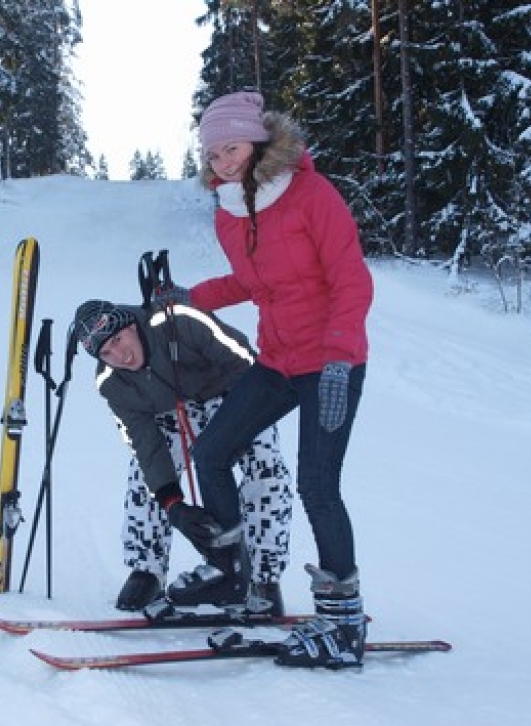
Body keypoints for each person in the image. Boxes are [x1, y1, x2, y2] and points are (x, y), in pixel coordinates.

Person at [157, 91, 374, 668]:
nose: (223, 161)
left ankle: (342, 625)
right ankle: (232, 574)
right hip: (279, 362)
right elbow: (250, 282)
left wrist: (340, 358)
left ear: (257, 142)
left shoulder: (311, 195)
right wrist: (190, 298)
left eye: (231, 148)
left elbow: (352, 281)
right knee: (211, 453)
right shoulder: (232, 211)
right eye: (213, 152)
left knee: (317, 487)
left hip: (331, 362)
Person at [72, 298, 294, 615]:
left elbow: (246, 360)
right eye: (106, 352)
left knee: (266, 468)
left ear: (131, 325)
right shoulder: (111, 382)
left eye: (119, 340)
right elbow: (144, 442)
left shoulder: (179, 321)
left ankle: (264, 579)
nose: (120, 356)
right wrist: (172, 503)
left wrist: (230, 423)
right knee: (145, 477)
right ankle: (146, 570)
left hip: (235, 394)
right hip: (173, 413)